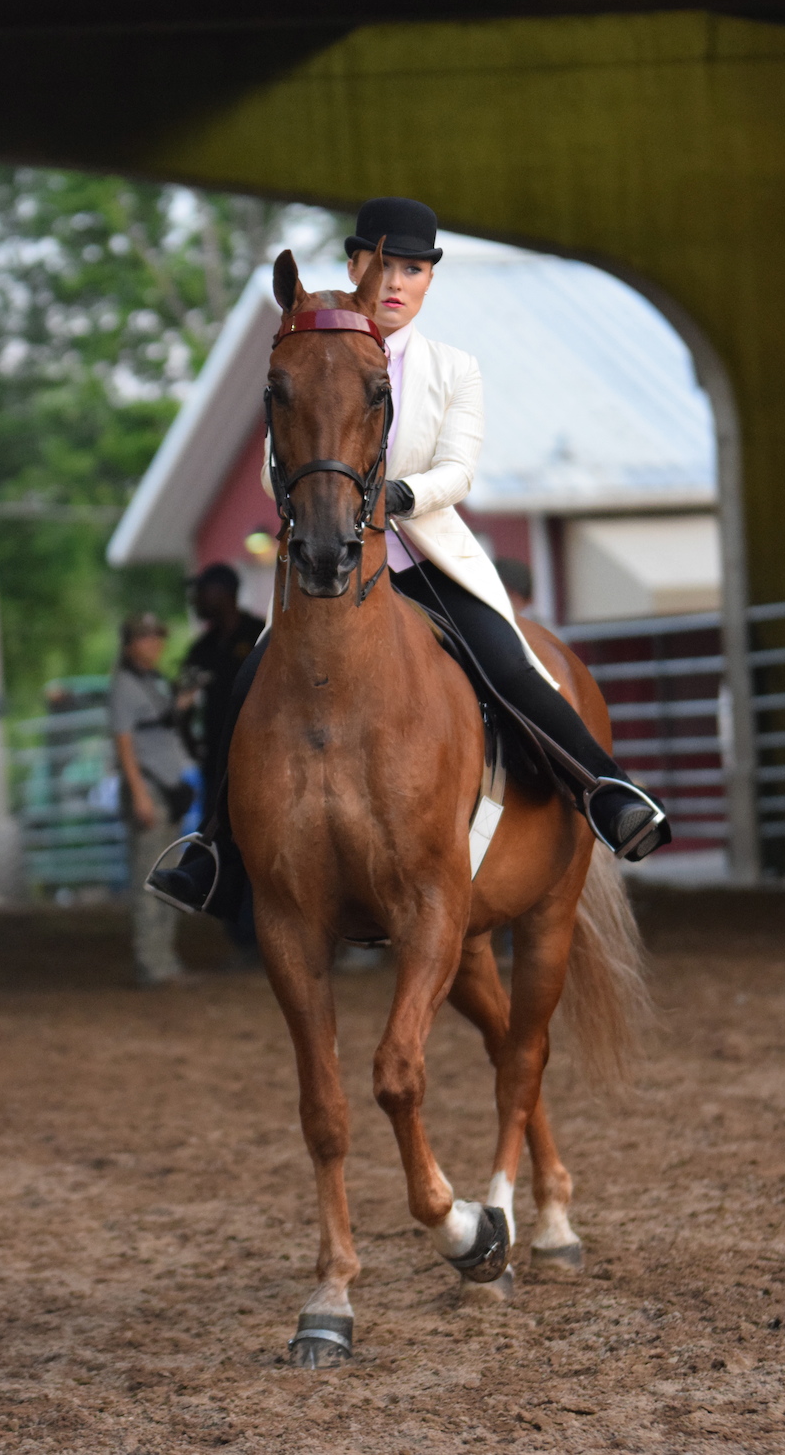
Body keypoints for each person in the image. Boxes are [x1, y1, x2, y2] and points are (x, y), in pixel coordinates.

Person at [149, 197, 670, 916]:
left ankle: (607, 792)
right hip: (327, 566)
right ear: (356, 267)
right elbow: (279, 462)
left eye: (414, 270)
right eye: (384, 266)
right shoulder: (308, 352)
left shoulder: (454, 369)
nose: (397, 283)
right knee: (246, 687)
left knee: (509, 664)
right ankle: (212, 847)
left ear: (428, 281)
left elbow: (459, 472)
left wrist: (396, 496)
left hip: (424, 561)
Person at [110, 612, 195, 985]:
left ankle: (165, 958)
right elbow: (123, 743)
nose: (156, 645)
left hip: (168, 785)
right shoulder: (124, 686)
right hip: (150, 787)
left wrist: (184, 702)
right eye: (147, 639)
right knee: (150, 878)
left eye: (158, 638)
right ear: (130, 645)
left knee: (168, 876)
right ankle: (151, 961)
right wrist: (140, 794)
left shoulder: (153, 681)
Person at [180, 563, 265, 810]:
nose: (197, 600)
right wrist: (193, 746)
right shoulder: (201, 649)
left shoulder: (259, 636)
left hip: (260, 757)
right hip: (217, 763)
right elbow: (183, 704)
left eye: (202, 592)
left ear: (223, 592)